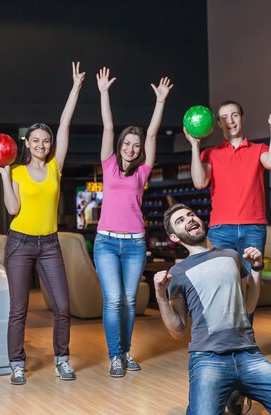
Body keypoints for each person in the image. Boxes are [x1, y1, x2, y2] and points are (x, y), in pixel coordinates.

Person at [153, 204, 271, 415]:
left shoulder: (231, 256)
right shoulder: (177, 273)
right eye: (180, 220)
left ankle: (239, 388)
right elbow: (177, 331)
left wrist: (256, 268)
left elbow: (248, 305)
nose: (189, 219)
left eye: (191, 214)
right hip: (208, 358)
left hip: (248, 355)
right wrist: (160, 296)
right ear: (175, 237)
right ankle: (220, 392)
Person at [0, 62, 85, 384]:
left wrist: (75, 87)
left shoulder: (56, 166)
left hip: (49, 244)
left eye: (46, 140)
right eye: (36, 141)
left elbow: (66, 123)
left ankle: (62, 359)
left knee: (62, 306)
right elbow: (12, 208)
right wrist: (3, 177)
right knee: (19, 309)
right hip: (19, 243)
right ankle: (16, 362)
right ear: (26, 143)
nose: (41, 145)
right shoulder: (15, 171)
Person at [94, 67, 173, 378]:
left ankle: (126, 353)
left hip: (135, 244)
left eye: (135, 146)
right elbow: (108, 126)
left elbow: (152, 133)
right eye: (127, 143)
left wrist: (160, 102)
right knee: (113, 299)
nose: (131, 147)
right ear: (120, 146)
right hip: (106, 243)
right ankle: (115, 356)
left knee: (129, 300)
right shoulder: (109, 164)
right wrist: (103, 93)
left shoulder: (142, 172)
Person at [185, 100, 271, 272]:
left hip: (253, 228)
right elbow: (199, 182)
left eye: (234, 115)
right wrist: (195, 147)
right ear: (218, 123)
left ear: (242, 118)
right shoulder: (210, 153)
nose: (230, 121)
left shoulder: (258, 149)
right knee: (220, 281)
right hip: (220, 230)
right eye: (224, 117)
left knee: (250, 282)